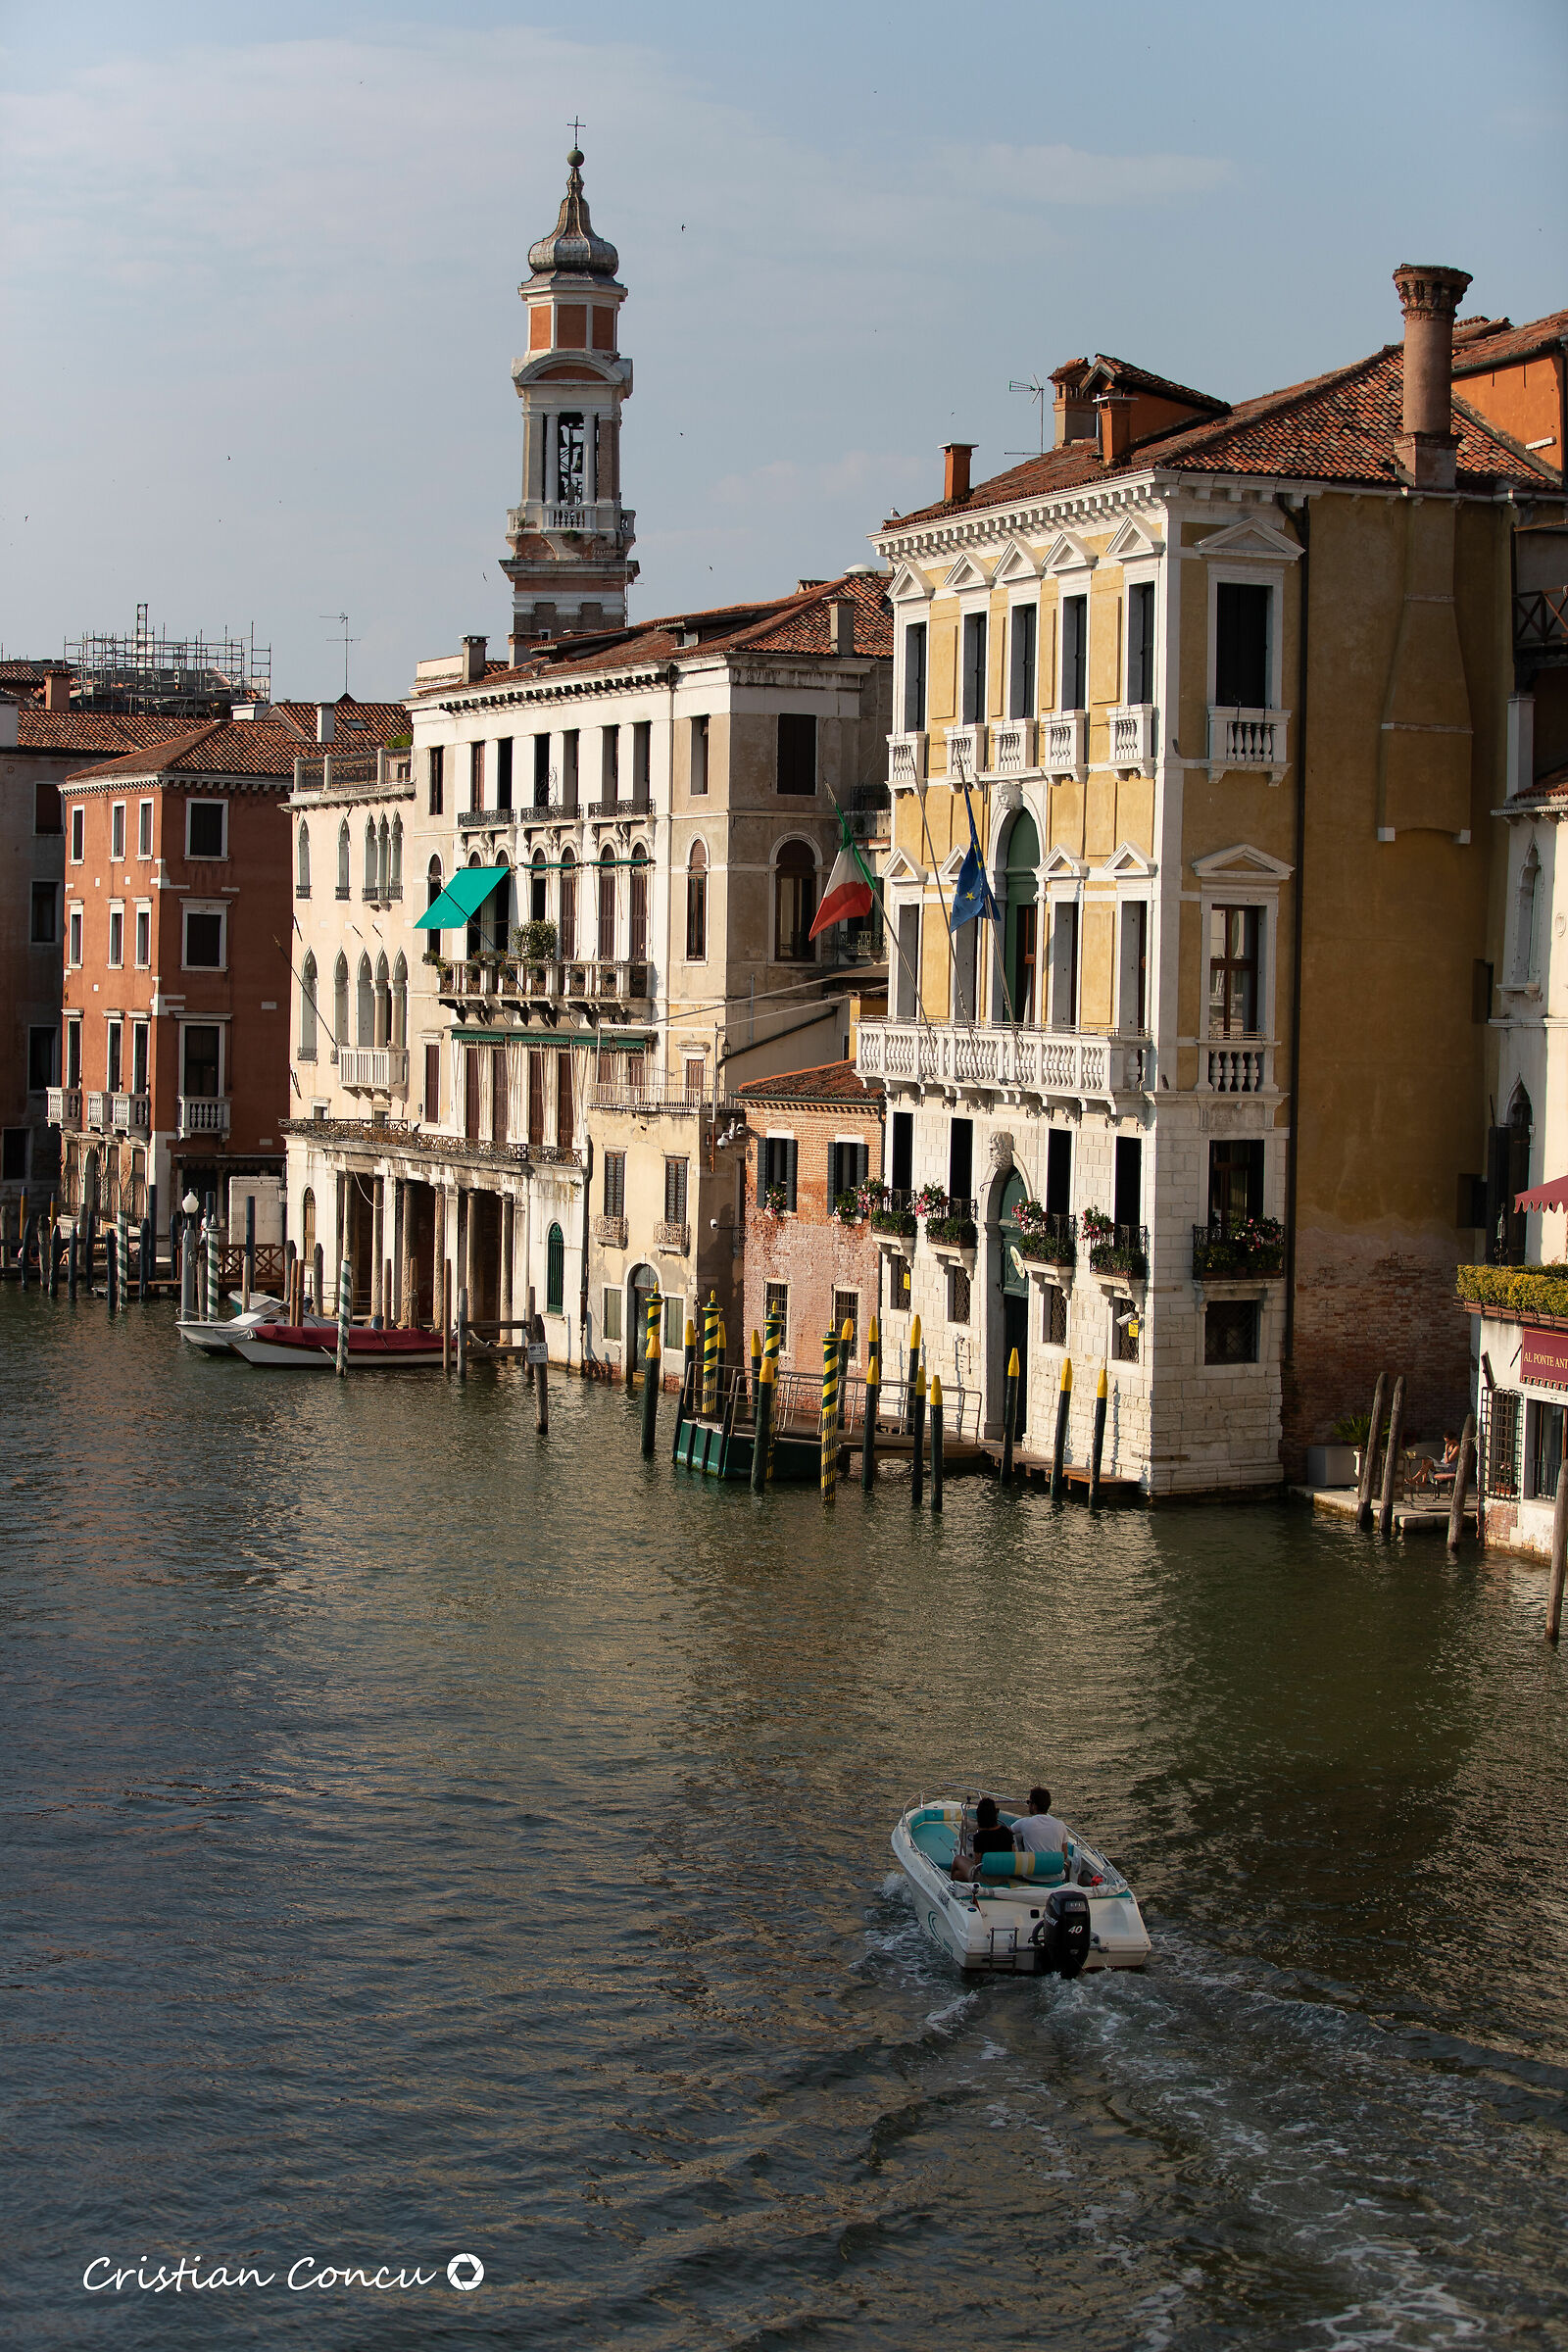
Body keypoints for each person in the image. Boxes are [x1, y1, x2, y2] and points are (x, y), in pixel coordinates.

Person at [951, 1796, 1013, 1883]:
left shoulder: (979, 1837)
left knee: (957, 1860)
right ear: (995, 1814)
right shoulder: (1006, 1832)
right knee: (958, 1874)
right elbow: (1013, 1854)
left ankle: (951, 1886)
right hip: (1005, 1876)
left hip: (986, 1879)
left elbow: (977, 1864)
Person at [1012, 1788, 1070, 1857]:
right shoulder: (1061, 1825)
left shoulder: (1024, 1823)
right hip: (1055, 1867)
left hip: (1033, 1867)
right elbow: (1064, 1855)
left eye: (1028, 1802)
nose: (1028, 1805)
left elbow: (1004, 1832)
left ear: (1034, 1806)